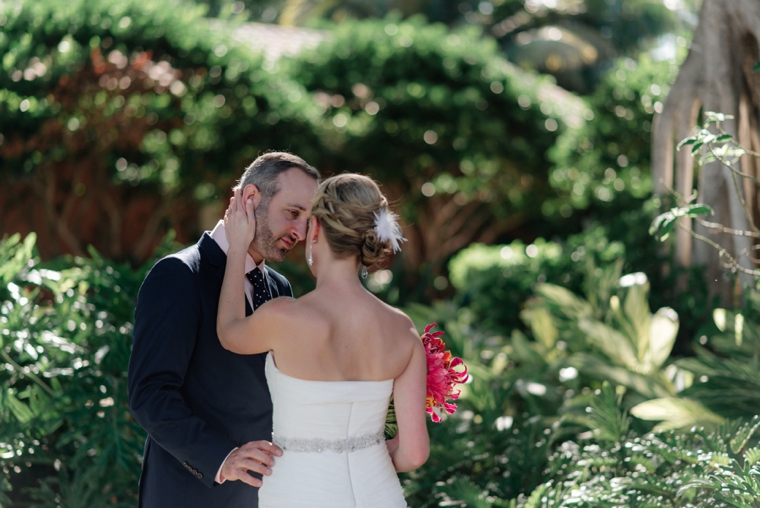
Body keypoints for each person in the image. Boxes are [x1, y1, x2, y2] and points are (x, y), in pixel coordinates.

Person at [217, 173, 430, 507]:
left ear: (315, 230)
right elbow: (415, 453)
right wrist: (364, 456)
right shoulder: (402, 330)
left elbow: (229, 331)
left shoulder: (283, 317)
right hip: (380, 494)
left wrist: (237, 248)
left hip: (299, 493)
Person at [127, 152, 320, 508]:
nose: (301, 232)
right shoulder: (179, 275)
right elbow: (150, 394)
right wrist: (222, 458)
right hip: (189, 496)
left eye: (309, 220)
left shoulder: (280, 288)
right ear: (250, 199)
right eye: (293, 213)